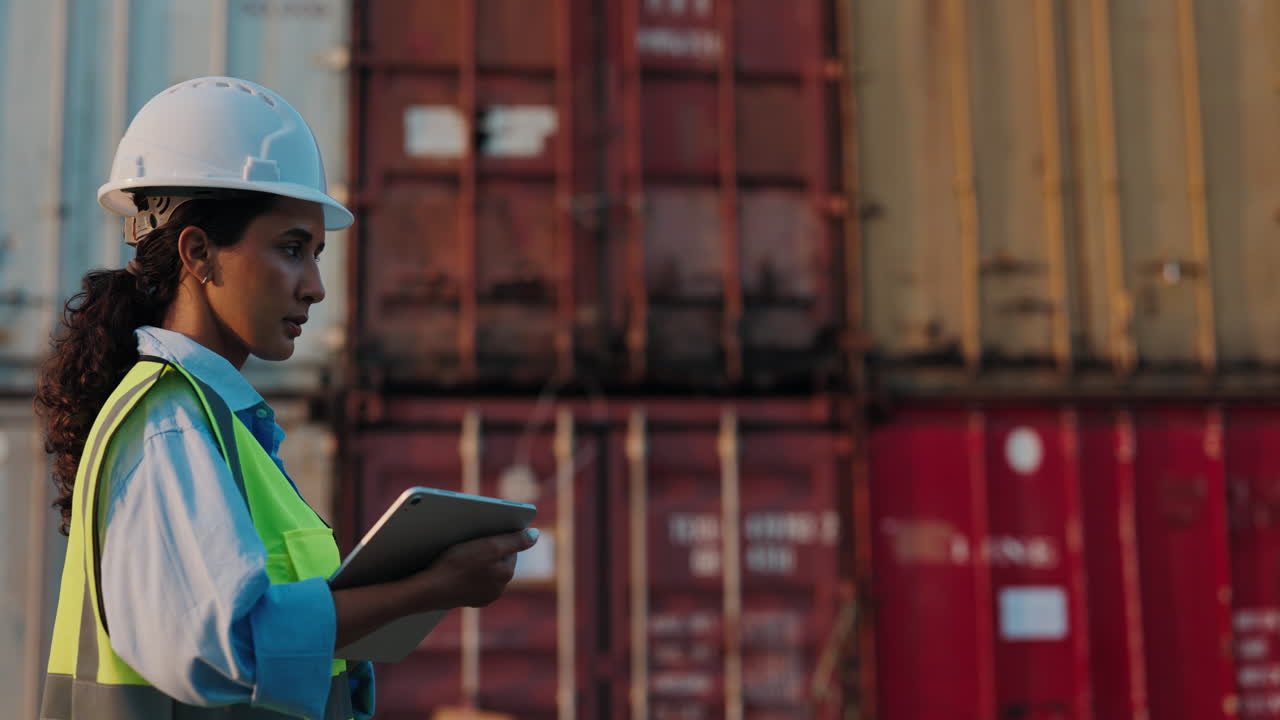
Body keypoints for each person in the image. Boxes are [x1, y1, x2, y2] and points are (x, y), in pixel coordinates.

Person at [34, 76, 538, 720]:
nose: (316, 287)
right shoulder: (169, 423)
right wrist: (425, 590)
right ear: (198, 254)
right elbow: (228, 645)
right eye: (292, 249)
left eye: (317, 254)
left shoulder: (217, 426)